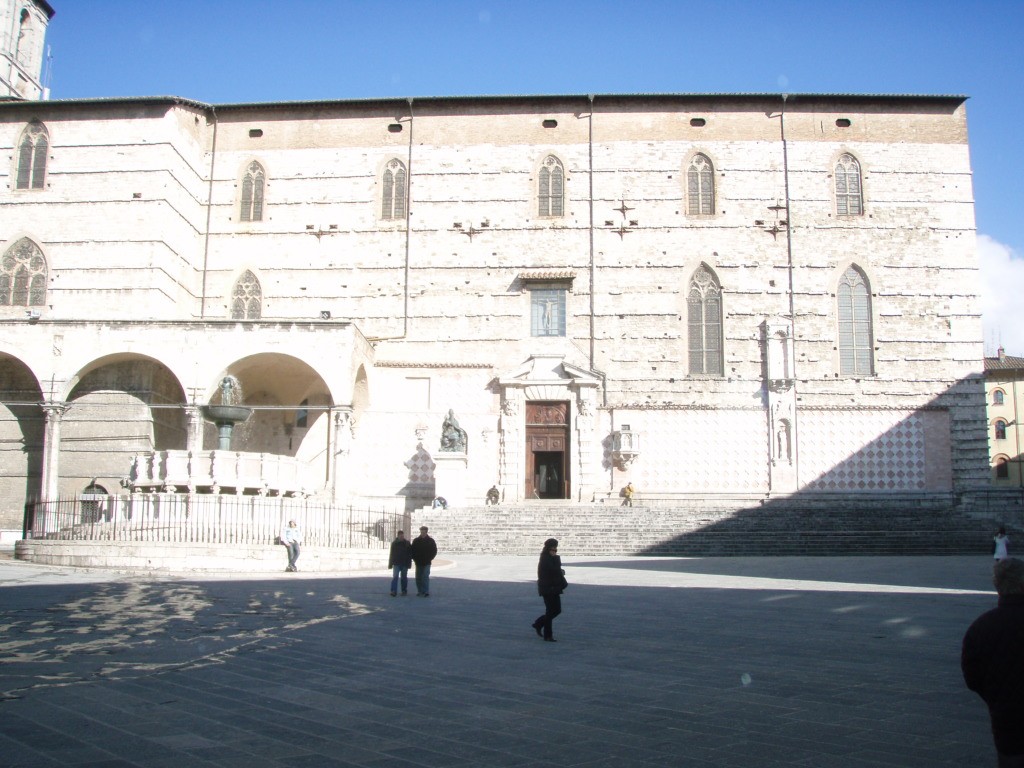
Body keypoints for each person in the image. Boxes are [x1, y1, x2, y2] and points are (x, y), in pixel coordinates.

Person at [962, 557, 1024, 766]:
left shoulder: (981, 627)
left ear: (997, 585)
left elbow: (972, 677)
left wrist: (997, 697)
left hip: (1006, 718)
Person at [532, 537, 567, 642]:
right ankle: (548, 635)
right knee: (551, 611)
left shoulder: (551, 558)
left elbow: (555, 570)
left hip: (554, 588)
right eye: (553, 549)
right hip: (547, 588)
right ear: (548, 549)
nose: (555, 551)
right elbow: (552, 570)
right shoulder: (545, 559)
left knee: (556, 610)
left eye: (556, 549)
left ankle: (539, 624)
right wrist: (557, 562)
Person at [410, 525, 437, 597]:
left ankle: (426, 591)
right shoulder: (416, 541)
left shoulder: (431, 541)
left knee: (425, 576)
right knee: (418, 577)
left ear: (426, 532)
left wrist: (430, 558)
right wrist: (414, 558)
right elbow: (412, 550)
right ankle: (419, 590)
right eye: (421, 532)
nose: (422, 533)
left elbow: (434, 551)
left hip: (427, 562)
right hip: (418, 562)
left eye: (424, 532)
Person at [388, 530, 412, 596]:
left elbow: (410, 554)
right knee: (395, 577)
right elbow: (391, 554)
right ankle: (393, 591)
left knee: (404, 578)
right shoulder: (394, 543)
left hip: (404, 563)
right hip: (396, 563)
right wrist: (390, 564)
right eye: (400, 535)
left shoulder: (407, 543)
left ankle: (404, 590)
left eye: (402, 535)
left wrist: (409, 564)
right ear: (398, 536)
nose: (401, 537)